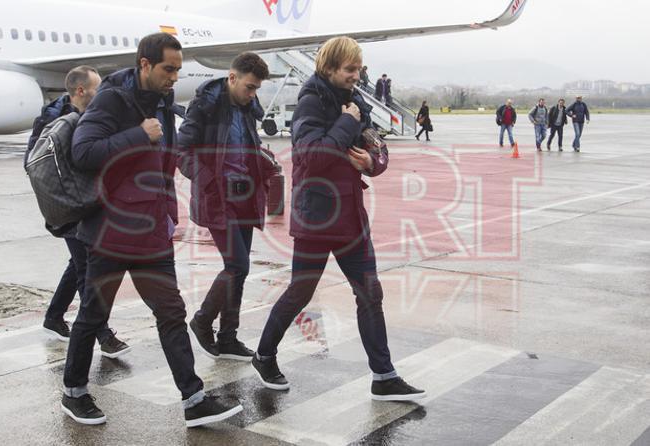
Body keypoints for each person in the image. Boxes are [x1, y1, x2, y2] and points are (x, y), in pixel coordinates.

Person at [61, 33, 243, 427]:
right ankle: (74, 391)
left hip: (151, 232)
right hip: (110, 230)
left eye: (177, 69)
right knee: (94, 314)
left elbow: (165, 158)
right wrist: (137, 136)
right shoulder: (111, 99)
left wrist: (168, 211)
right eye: (168, 68)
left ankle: (194, 399)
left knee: (171, 313)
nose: (174, 77)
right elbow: (83, 151)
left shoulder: (162, 101)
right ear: (145, 64)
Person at [252, 36, 426, 402]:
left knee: (369, 294)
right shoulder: (310, 103)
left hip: (350, 216)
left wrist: (373, 164)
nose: (357, 75)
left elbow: (377, 146)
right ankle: (264, 355)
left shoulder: (355, 101)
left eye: (359, 68)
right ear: (329, 68)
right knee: (300, 291)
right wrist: (347, 123)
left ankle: (384, 375)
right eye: (350, 69)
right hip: (317, 215)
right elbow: (312, 156)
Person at [177, 53, 278, 361]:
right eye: (249, 87)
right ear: (232, 78)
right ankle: (202, 320)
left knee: (239, 270)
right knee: (237, 266)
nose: (253, 94)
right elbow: (181, 151)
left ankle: (228, 336)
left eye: (256, 88)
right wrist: (210, 181)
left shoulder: (248, 107)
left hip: (245, 195)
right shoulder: (205, 104)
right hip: (218, 199)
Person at [25, 66, 130, 358]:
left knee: (78, 263)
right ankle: (102, 334)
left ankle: (53, 317)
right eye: (98, 89)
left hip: (86, 204)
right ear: (81, 91)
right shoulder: (55, 119)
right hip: (72, 206)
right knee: (88, 272)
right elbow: (33, 163)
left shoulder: (90, 117)